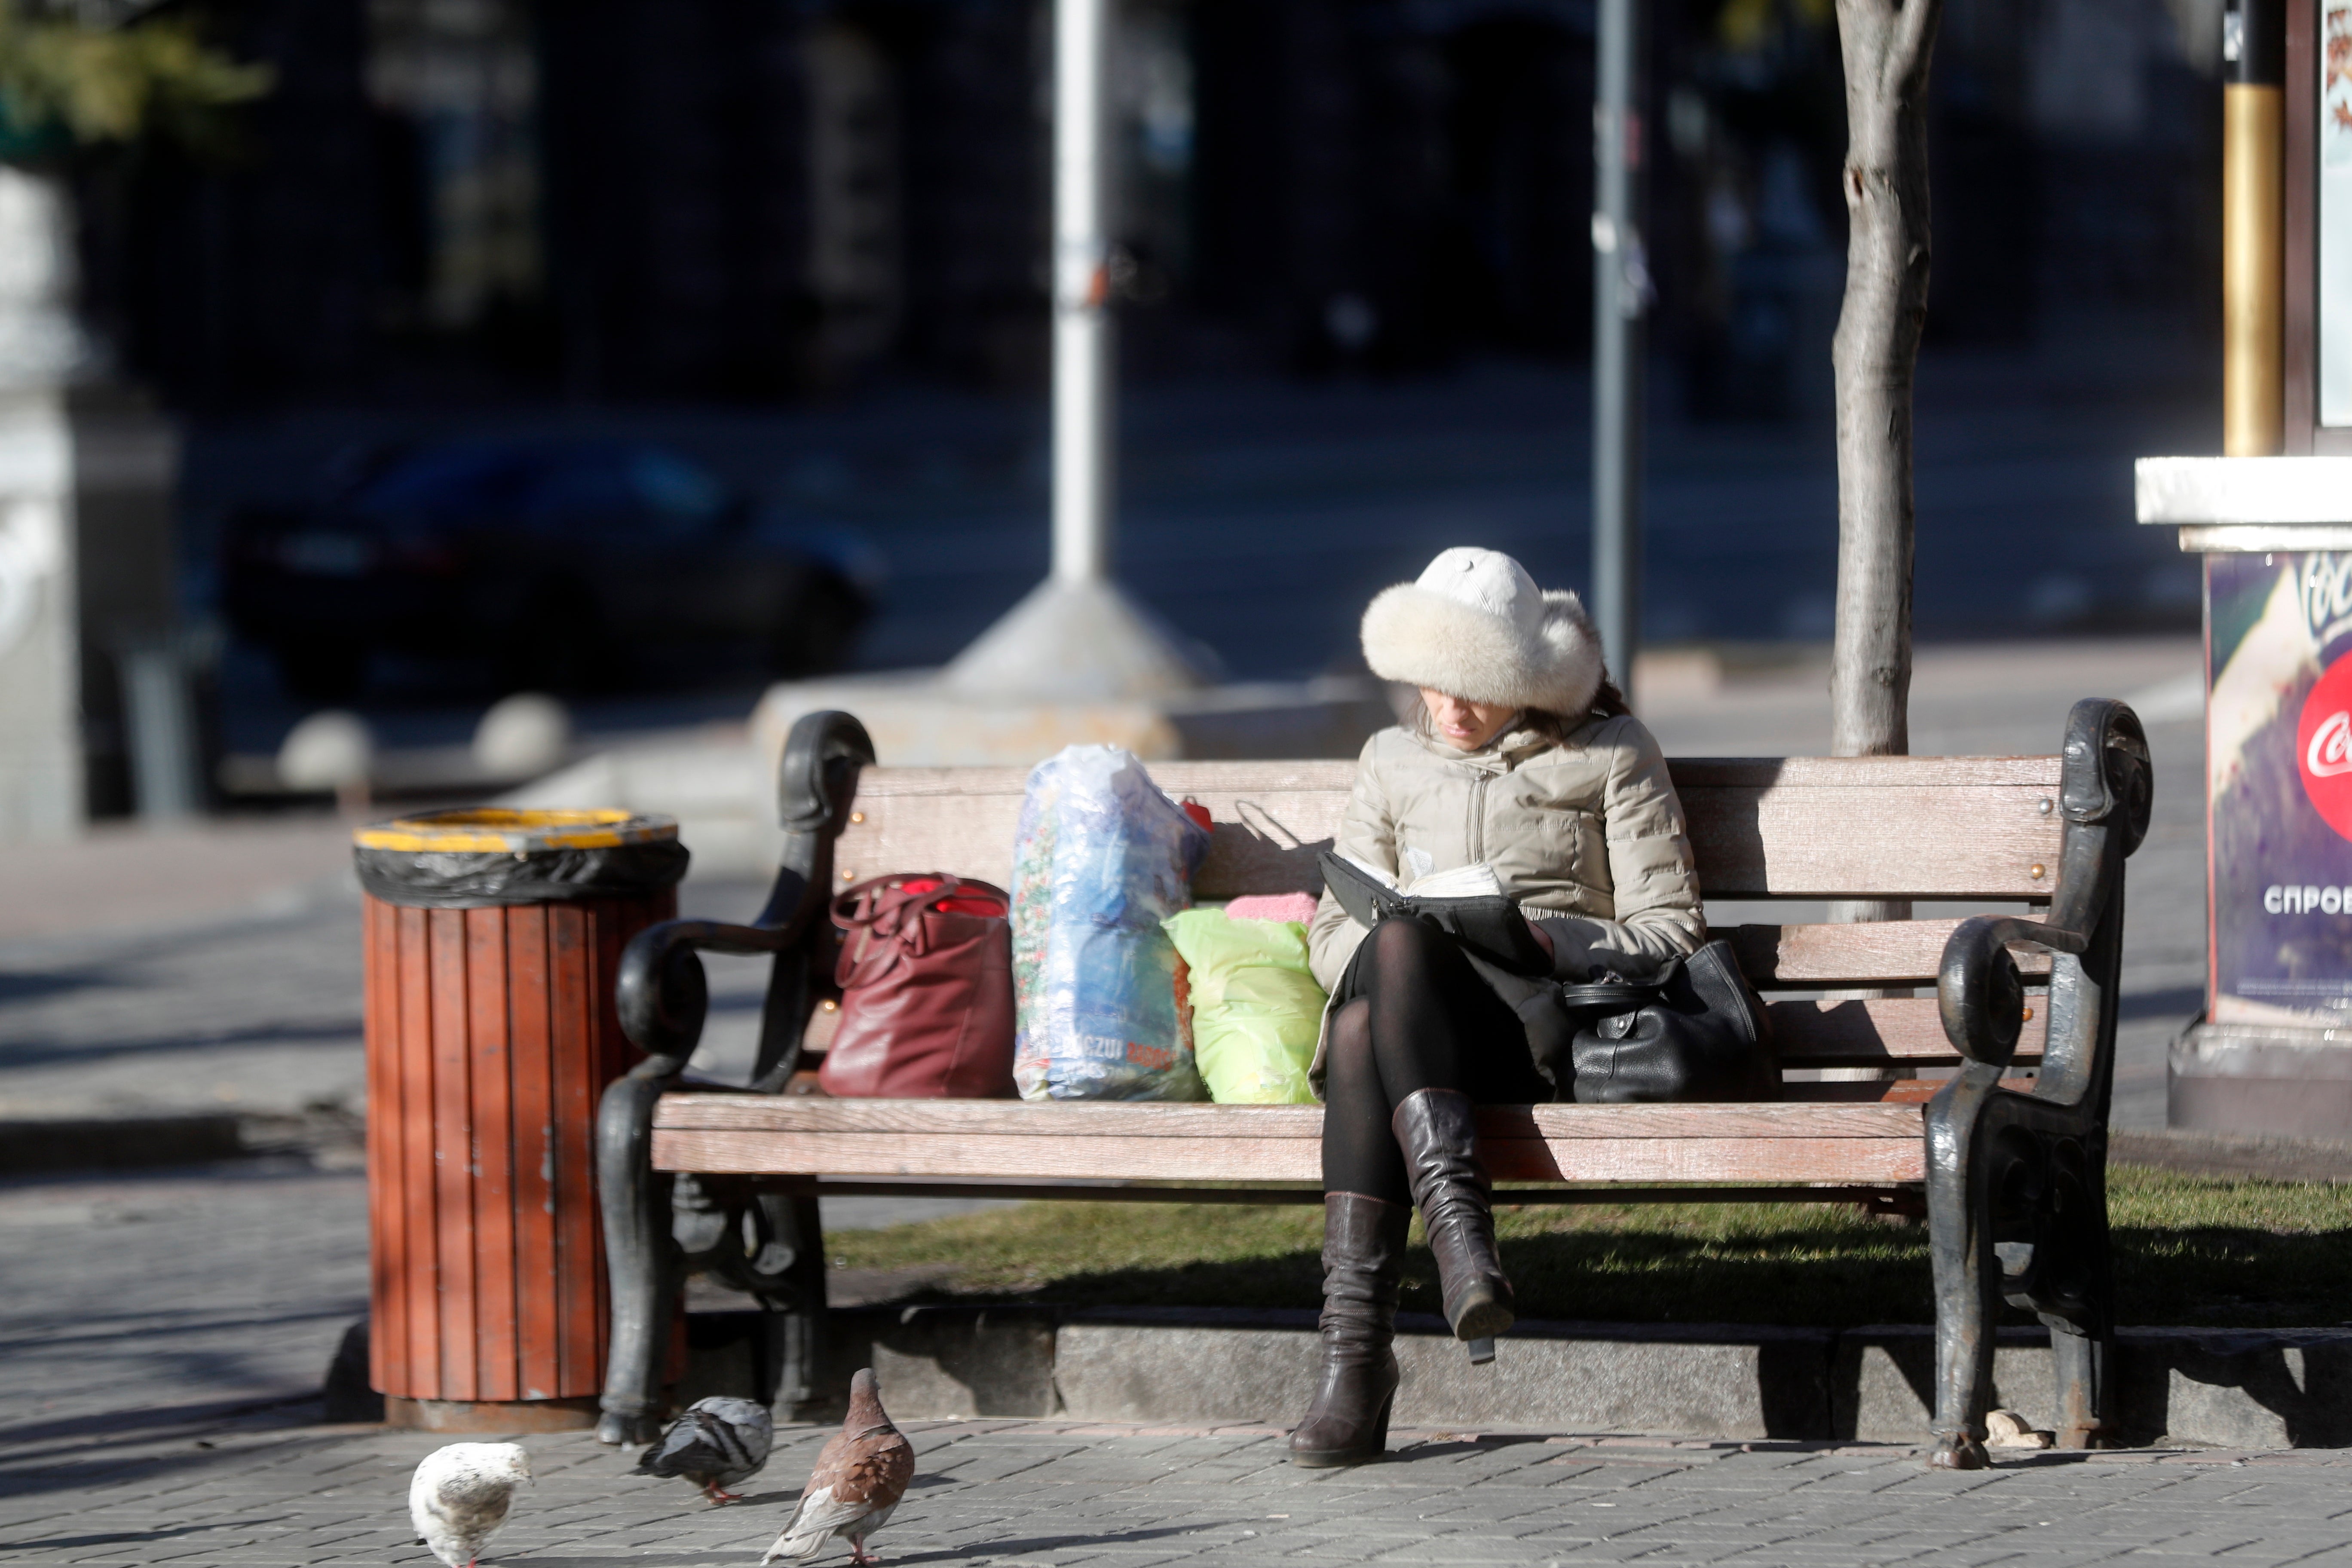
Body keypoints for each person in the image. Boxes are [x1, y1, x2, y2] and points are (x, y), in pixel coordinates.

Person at [1290, 546, 1706, 1467]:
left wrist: (1552, 941)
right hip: (1418, 1036)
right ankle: (1439, 1271)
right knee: (1380, 977)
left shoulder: (1610, 751)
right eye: (1436, 683)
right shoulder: (1390, 760)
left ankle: (1364, 1358)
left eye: (1479, 688)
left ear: (1526, 678)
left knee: (1372, 1010)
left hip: (1540, 1028)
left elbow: (1670, 928)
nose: (1452, 708)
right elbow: (1329, 937)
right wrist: (1401, 949)